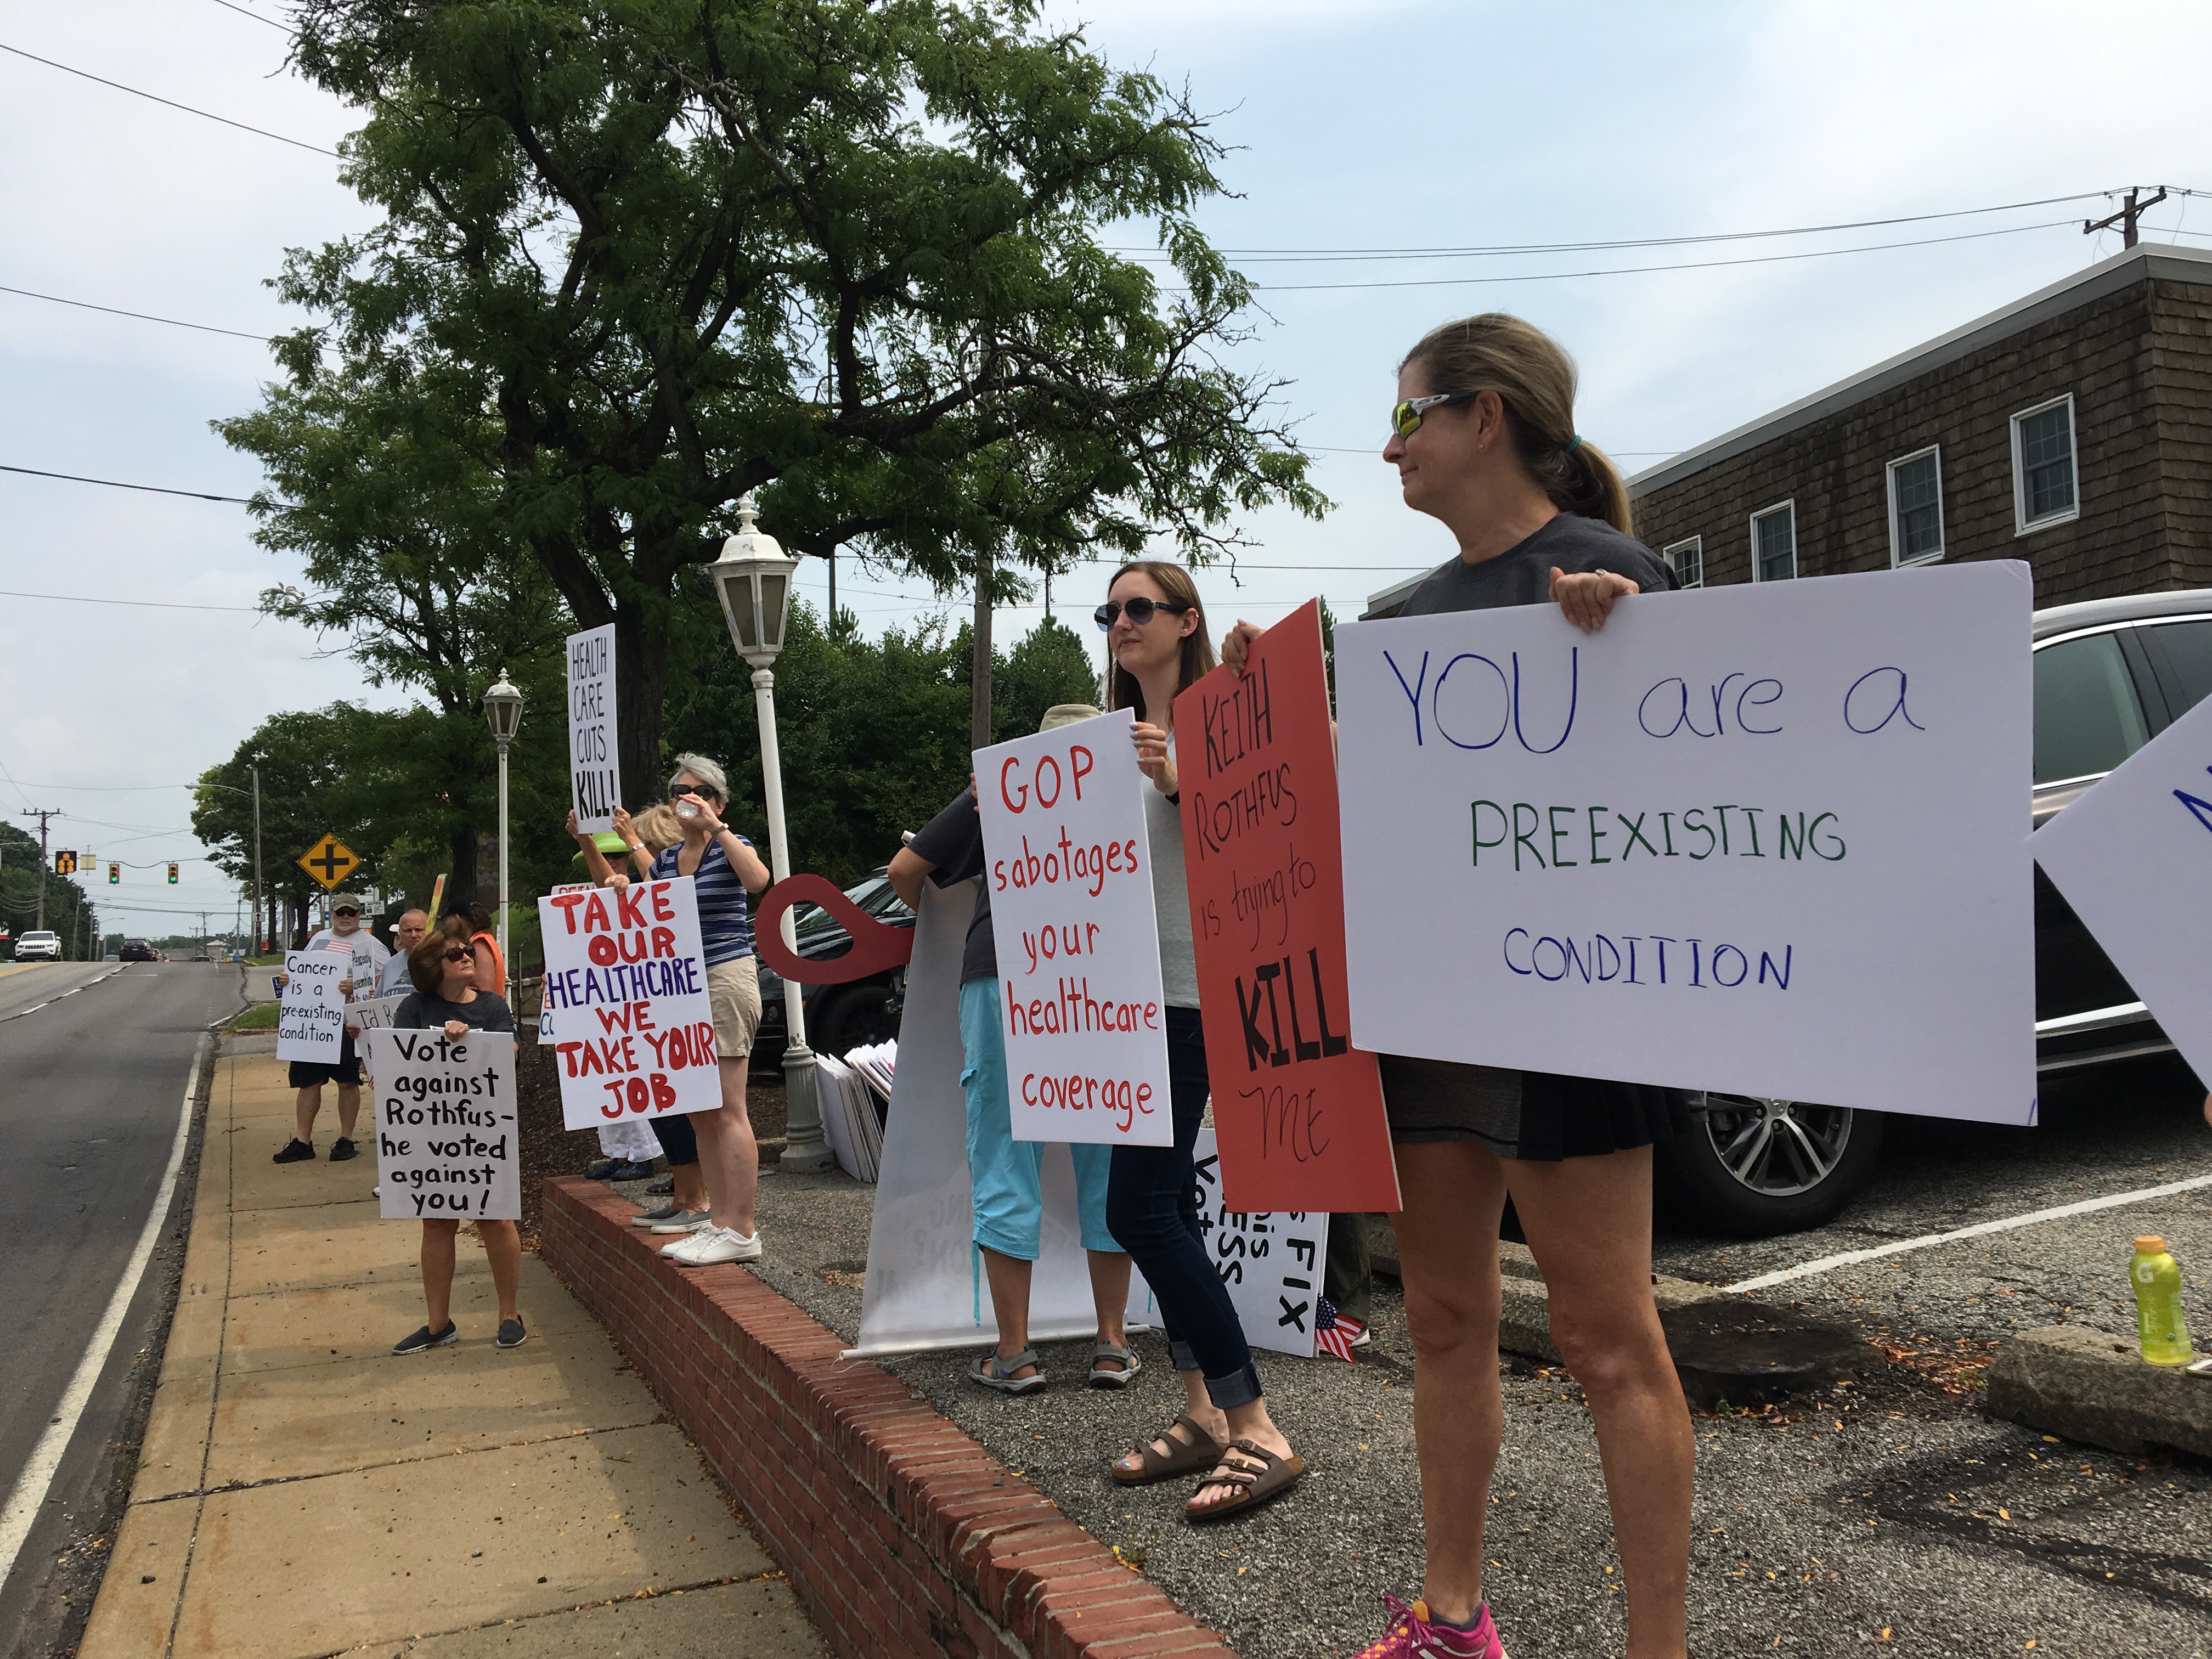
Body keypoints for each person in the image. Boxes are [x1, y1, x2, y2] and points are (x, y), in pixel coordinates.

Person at [1223, 313, 1692, 1659]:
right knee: (1441, 1321)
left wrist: (1630, 649)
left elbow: (1701, 803)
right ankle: (1451, 1620)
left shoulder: (1619, 577)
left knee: (1610, 1343)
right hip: (1429, 1019)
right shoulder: (1400, 627)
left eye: (1407, 418)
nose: (1391, 448)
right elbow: (1366, 822)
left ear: (1484, 416)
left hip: (1575, 1018)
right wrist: (1271, 727)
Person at [1096, 562, 1303, 1523]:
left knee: (1137, 1207)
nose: (1120, 622)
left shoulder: (1223, 722)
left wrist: (1181, 781)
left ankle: (1252, 1420)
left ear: (1185, 620)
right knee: (1167, 1195)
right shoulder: (1099, 750)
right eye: (1109, 610)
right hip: (1123, 999)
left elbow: (1268, 822)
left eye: (1139, 607)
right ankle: (1200, 1413)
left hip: (1188, 994)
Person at [887, 706, 1138, 1396]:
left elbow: (905, 870)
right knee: (1107, 1157)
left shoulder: (999, 787)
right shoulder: (1136, 786)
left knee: (1004, 1156)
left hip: (1003, 970)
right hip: (1103, 978)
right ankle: (1112, 1343)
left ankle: (1015, 1352)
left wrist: (945, 919)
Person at [641, 756, 772, 1265]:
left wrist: (716, 830)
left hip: (723, 977)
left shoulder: (732, 846)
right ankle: (718, 1222)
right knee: (700, 1110)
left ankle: (741, 1228)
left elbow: (759, 880)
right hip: (680, 989)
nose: (685, 797)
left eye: (697, 790)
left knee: (727, 1107)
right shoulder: (671, 861)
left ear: (717, 801)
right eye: (678, 790)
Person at [388, 918, 527, 1354]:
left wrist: (470, 1043)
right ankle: (437, 1323)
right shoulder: (415, 1008)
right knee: (437, 1221)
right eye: (455, 953)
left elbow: (512, 1053)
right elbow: (400, 1068)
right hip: (432, 1132)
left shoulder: (491, 1007)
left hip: (485, 1131)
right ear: (433, 965)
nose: (467, 956)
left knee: (495, 1218)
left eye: (467, 950)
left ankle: (509, 1314)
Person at [569, 804, 711, 1216]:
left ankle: (696, 1195)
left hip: (680, 1006)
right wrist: (585, 841)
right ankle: (683, 1195)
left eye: (642, 847)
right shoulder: (652, 882)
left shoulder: (681, 882)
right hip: (655, 1008)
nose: (634, 857)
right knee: (663, 1107)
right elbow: (609, 893)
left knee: (683, 1106)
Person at [270, 895, 391, 1165]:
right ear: (332, 914)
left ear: (359, 915)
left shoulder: (372, 945)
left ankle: (346, 1139)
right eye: (340, 913)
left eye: (351, 913)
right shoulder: (319, 939)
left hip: (346, 1022)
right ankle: (303, 1141)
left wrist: (358, 985)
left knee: (347, 1081)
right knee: (308, 1081)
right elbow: (302, 972)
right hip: (312, 1023)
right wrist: (288, 980)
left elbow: (386, 976)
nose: (346, 917)